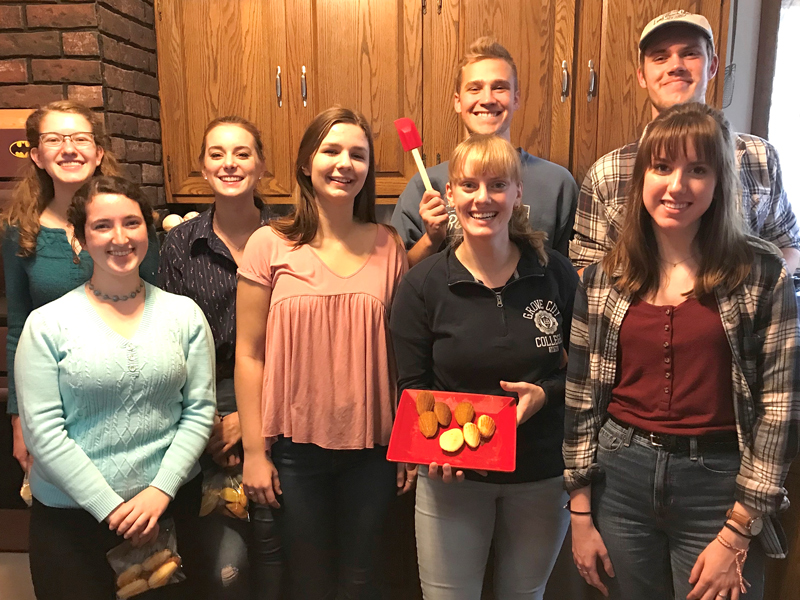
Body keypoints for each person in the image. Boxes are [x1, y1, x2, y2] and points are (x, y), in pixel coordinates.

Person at [564, 103, 800, 600]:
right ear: (641, 177)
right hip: (619, 479)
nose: (677, 186)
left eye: (698, 170)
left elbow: (778, 412)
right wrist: (580, 513)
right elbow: (582, 398)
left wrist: (738, 530)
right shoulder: (606, 275)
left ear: (719, 182)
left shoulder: (761, 273)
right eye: (662, 167)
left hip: (719, 488)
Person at [390, 134, 579, 600]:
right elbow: (413, 391)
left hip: (541, 473)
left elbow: (587, 371)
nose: (482, 198)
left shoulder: (554, 273)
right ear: (450, 194)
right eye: (469, 185)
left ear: (517, 194)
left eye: (497, 185)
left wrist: (546, 393)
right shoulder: (421, 285)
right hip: (453, 480)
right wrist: (428, 449)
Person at [235, 107, 411, 599]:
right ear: (306, 163)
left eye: (358, 154)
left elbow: (403, 359)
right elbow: (249, 355)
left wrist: (406, 447)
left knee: (364, 583)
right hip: (295, 449)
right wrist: (254, 451)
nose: (344, 163)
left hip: (374, 453)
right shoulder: (269, 244)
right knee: (306, 584)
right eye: (331, 150)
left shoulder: (389, 245)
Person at [16, 175, 216, 600]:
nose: (119, 237)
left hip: (168, 511)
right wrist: (109, 506)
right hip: (73, 522)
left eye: (132, 223)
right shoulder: (47, 325)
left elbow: (199, 411)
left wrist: (160, 490)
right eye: (102, 226)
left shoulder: (184, 315)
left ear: (148, 230)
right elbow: (43, 432)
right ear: (80, 238)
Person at [570, 10, 800, 275]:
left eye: (690, 53)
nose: (675, 65)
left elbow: (787, 244)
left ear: (712, 66)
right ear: (642, 76)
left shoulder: (761, 157)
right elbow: (583, 268)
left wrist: (763, 293)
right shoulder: (606, 173)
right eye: (660, 57)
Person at [159, 115, 283, 600]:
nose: (229, 163)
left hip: (278, 402)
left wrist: (249, 423)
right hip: (198, 411)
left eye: (242, 153)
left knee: (277, 546)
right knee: (223, 569)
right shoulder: (179, 245)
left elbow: (302, 345)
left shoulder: (292, 237)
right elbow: (167, 342)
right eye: (217, 154)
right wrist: (207, 423)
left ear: (261, 164)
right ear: (202, 168)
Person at [2, 100, 159, 473]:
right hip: (53, 407)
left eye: (81, 138)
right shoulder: (18, 231)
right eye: (54, 139)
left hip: (130, 392)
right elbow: (18, 329)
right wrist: (18, 417)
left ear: (99, 152)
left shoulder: (135, 228)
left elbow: (154, 309)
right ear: (37, 155)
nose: (69, 148)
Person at [391, 37, 578, 266]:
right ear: (458, 102)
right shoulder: (424, 185)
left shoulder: (558, 184)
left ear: (516, 98)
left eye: (499, 87)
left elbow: (569, 274)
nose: (487, 99)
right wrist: (431, 240)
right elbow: (398, 276)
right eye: (475, 88)